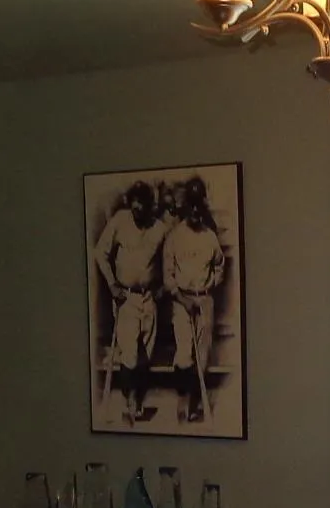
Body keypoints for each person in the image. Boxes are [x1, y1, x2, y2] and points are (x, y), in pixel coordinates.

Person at [90, 179, 168, 424]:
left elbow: (169, 259)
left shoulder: (160, 228)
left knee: (146, 355)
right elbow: (100, 252)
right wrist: (112, 285)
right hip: (126, 298)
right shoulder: (120, 221)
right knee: (130, 356)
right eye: (133, 206)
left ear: (149, 206)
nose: (137, 211)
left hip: (148, 298)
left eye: (141, 206)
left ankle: (138, 401)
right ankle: (129, 401)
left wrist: (164, 285)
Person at [159, 176, 232, 423]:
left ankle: (195, 403)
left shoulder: (209, 236)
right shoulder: (174, 237)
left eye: (199, 207)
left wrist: (210, 286)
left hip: (205, 301)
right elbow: (168, 277)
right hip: (182, 302)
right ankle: (183, 404)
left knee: (203, 356)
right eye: (191, 207)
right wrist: (183, 297)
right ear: (185, 207)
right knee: (184, 355)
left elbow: (220, 265)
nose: (195, 212)